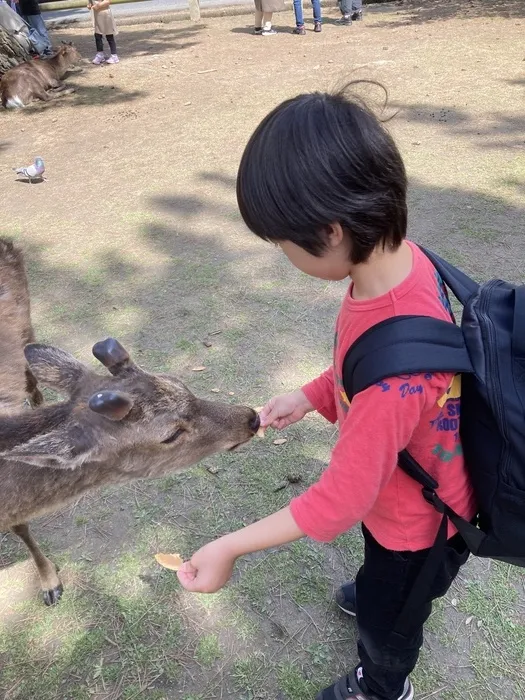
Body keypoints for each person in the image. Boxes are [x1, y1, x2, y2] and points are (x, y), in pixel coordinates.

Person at [177, 85, 476, 700]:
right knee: (381, 581)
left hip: (418, 526)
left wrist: (229, 547)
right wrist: (313, 395)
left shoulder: (395, 381)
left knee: (389, 625)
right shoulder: (402, 266)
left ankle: (382, 683)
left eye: (283, 243)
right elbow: (365, 366)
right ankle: (378, 592)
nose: (283, 254)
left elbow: (338, 502)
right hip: (402, 496)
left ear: (331, 231)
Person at [87, 0, 118, 64]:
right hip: (96, 15)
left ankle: (114, 56)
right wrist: (89, 5)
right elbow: (90, 2)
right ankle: (100, 54)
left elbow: (108, 1)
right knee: (97, 35)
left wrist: (98, 6)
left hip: (105, 14)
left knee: (109, 35)